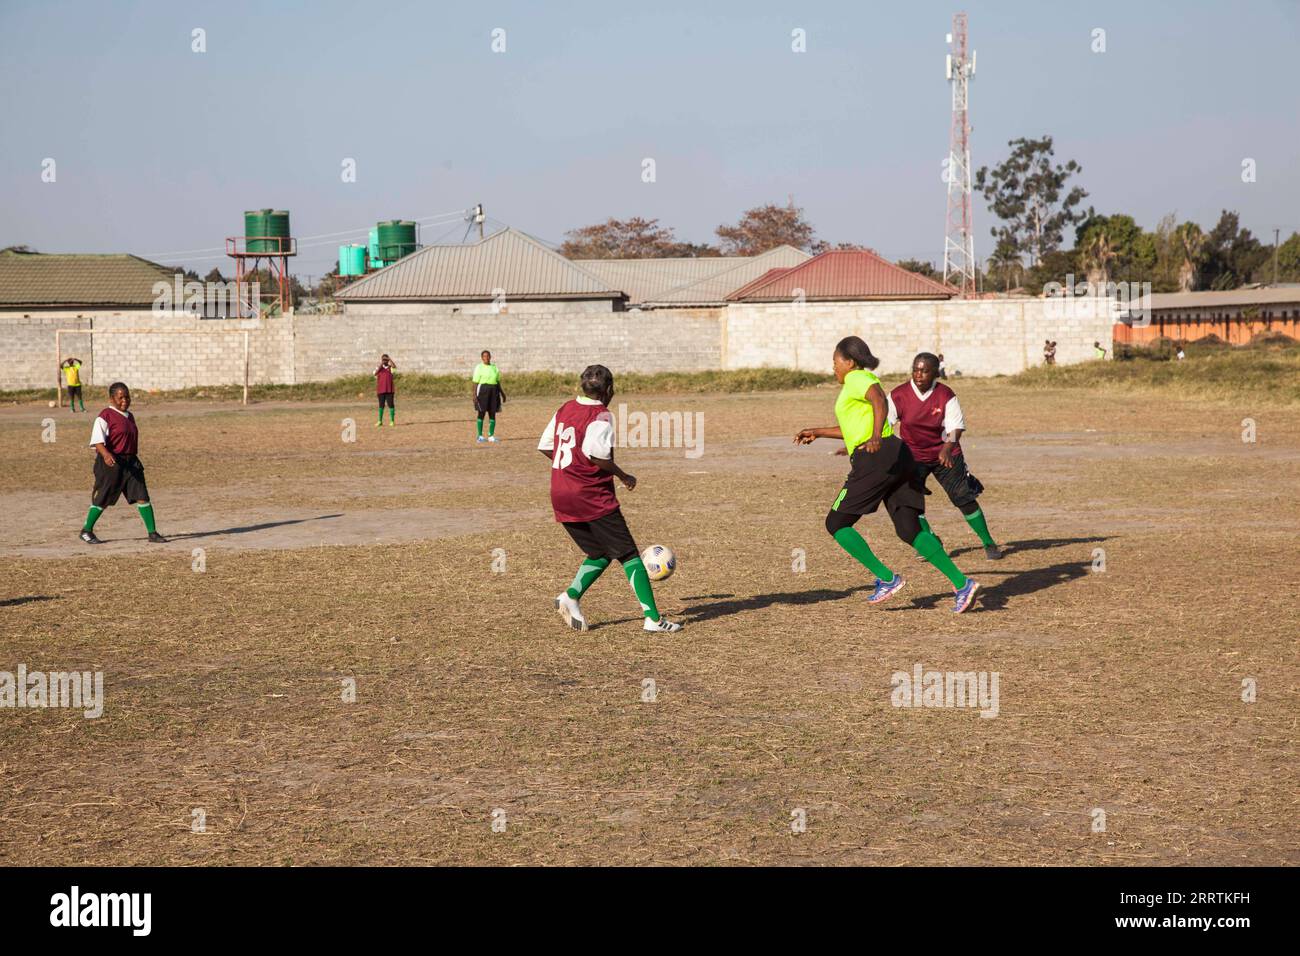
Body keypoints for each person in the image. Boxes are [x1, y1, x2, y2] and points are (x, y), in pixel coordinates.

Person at [794, 336, 979, 613]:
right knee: (908, 528)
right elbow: (854, 428)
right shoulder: (855, 384)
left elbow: (878, 397)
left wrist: (876, 435)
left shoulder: (856, 378)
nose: (833, 368)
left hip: (876, 457)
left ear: (850, 362)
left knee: (836, 523)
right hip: (899, 454)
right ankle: (962, 584)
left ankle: (886, 579)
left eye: (835, 362)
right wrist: (818, 432)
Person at [538, 364, 682, 633]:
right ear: (609, 390)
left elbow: (546, 445)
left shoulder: (565, 408)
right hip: (591, 495)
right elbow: (597, 456)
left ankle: (570, 597)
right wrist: (623, 475)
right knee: (629, 554)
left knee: (600, 552)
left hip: (560, 493)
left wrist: (570, 467)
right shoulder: (600, 415)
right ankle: (653, 619)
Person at [889, 352, 1003, 560]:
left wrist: (948, 447)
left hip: (947, 455)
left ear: (935, 373)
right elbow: (884, 424)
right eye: (915, 369)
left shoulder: (945, 395)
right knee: (911, 502)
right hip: (913, 457)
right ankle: (931, 539)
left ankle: (989, 543)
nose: (918, 374)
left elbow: (956, 427)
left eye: (924, 371)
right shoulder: (899, 394)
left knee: (964, 499)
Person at [80, 383, 166, 544]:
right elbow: (98, 441)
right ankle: (86, 530)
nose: (124, 400)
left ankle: (153, 533)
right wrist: (106, 455)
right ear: (111, 398)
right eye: (120, 397)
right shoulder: (105, 416)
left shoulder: (129, 416)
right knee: (103, 498)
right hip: (111, 462)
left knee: (142, 496)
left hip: (131, 462)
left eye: (127, 397)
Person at [472, 350, 506, 443]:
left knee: (492, 413)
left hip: (494, 391)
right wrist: (474, 395)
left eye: (487, 356)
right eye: (484, 356)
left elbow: (498, 382)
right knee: (481, 413)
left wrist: (502, 393)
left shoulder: (494, 367)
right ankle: (480, 436)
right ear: (482, 358)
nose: (486, 358)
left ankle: (491, 436)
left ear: (490, 357)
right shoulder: (479, 367)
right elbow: (475, 382)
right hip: (483, 391)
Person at [374, 354, 396, 427]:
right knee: (381, 405)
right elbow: (375, 373)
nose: (385, 361)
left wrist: (389, 359)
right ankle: (380, 421)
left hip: (389, 390)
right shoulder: (379, 368)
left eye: (386, 360)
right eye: (383, 359)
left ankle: (392, 421)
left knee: (391, 405)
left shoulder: (390, 368)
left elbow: (394, 367)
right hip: (381, 390)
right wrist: (381, 364)